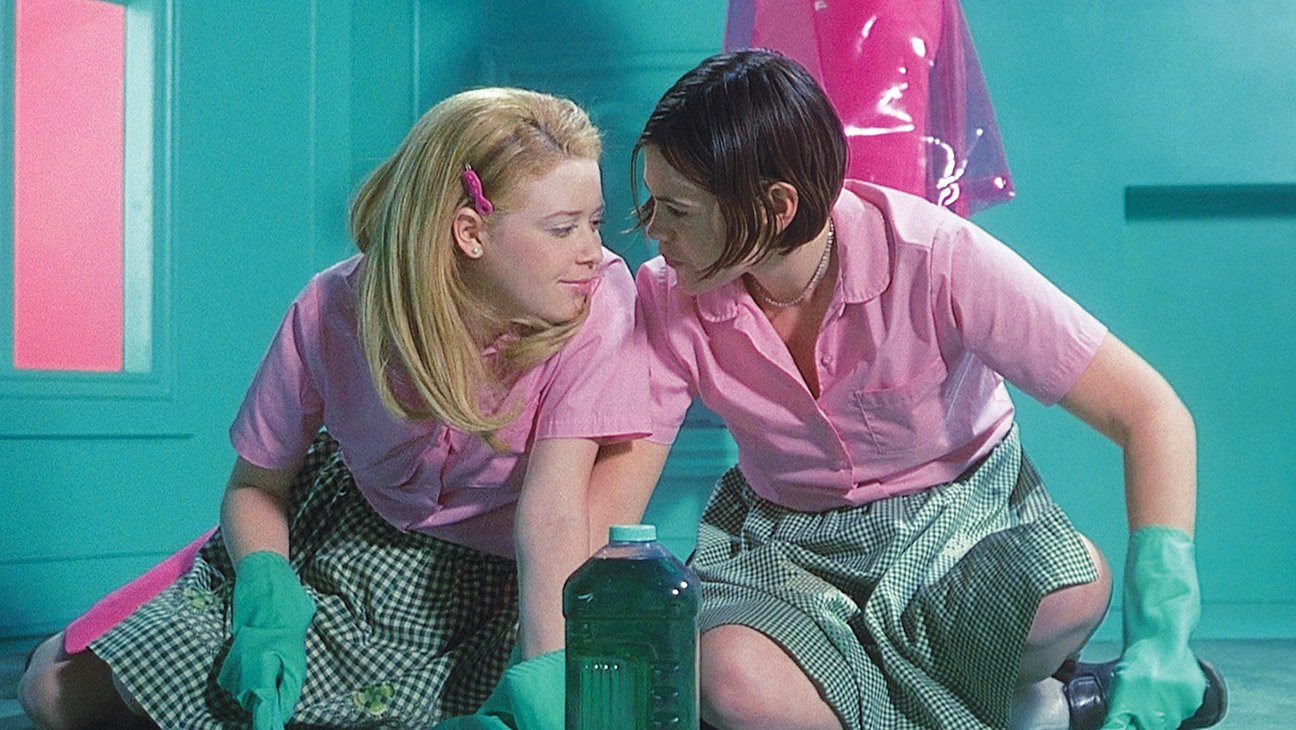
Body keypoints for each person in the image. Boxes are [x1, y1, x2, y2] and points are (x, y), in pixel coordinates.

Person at [613, 50, 1226, 729]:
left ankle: (873, 699)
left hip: (961, 534)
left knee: (1073, 587)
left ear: (776, 207)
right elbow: (614, 500)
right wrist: (559, 651)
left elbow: (1149, 411)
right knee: (726, 680)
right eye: (653, 202)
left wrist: (1162, 632)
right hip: (784, 553)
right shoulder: (669, 295)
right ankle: (1044, 712)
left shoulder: (936, 256)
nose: (653, 230)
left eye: (677, 209)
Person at [20, 86, 649, 729]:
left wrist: (549, 674)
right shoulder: (332, 307)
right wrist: (266, 596)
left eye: (595, 223)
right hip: (335, 546)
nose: (590, 251)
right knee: (51, 693)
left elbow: (552, 514)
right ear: (470, 233)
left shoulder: (598, 302)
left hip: (494, 586)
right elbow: (256, 486)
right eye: (563, 228)